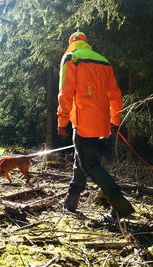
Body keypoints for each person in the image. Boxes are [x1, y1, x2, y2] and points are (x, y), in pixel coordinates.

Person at [57, 32, 135, 219]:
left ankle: (120, 204)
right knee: (82, 160)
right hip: (103, 125)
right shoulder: (103, 61)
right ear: (86, 43)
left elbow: (65, 92)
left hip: (83, 123)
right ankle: (72, 200)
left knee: (89, 165)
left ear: (71, 43)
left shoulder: (71, 58)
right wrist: (114, 122)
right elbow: (115, 95)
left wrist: (62, 121)